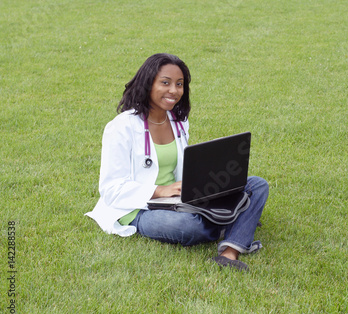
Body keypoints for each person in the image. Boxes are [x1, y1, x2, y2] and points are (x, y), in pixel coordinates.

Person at [85, 53, 269, 271]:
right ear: (148, 83)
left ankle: (230, 252)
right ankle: (237, 220)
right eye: (165, 83)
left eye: (179, 84)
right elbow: (111, 189)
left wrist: (202, 180)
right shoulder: (121, 127)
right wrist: (160, 191)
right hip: (136, 208)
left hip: (179, 198)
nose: (174, 90)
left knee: (257, 185)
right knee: (188, 227)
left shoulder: (178, 121)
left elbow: (183, 167)